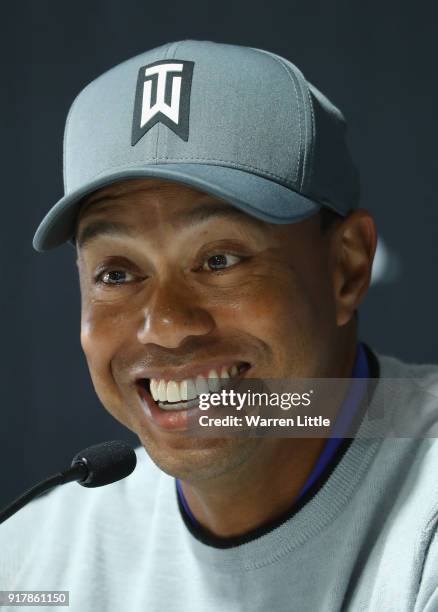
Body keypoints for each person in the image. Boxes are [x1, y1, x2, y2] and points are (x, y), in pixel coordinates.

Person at [2, 39, 438, 611]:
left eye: (219, 260)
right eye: (116, 273)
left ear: (346, 269)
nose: (164, 326)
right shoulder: (31, 555)